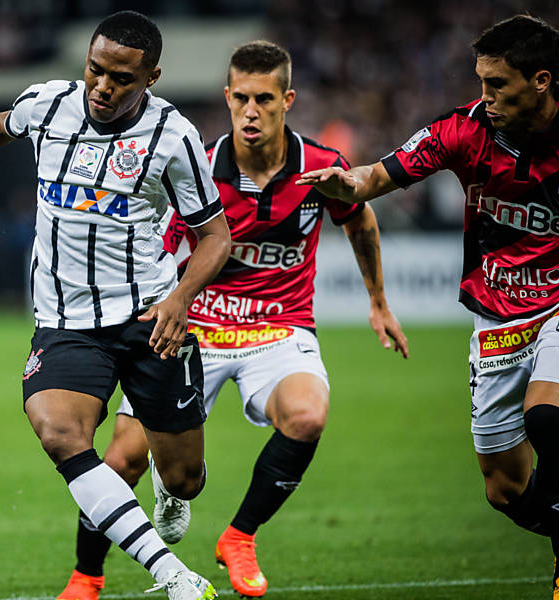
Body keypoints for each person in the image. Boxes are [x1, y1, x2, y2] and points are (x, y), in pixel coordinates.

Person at [0, 10, 230, 600]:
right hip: (66, 323)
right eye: (95, 70)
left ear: (151, 76)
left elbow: (216, 235)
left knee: (186, 476)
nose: (102, 86)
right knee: (59, 433)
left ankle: (168, 486)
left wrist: (181, 297)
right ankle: (171, 574)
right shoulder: (51, 103)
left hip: (150, 319)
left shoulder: (174, 138)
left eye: (121, 78)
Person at [54, 40, 409, 600]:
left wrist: (379, 302)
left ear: (287, 100)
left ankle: (239, 537)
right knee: (120, 458)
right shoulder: (194, 163)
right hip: (197, 326)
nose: (251, 111)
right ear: (227, 97)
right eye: (240, 97)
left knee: (308, 415)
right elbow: (161, 249)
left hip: (279, 326)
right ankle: (86, 576)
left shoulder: (321, 167)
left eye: (264, 99)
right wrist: (160, 307)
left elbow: (359, 220)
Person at [297, 15, 559, 599]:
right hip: (497, 315)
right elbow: (371, 178)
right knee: (504, 490)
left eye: (497, 85)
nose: (485, 97)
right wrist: (339, 186)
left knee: (546, 417)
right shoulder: (463, 131)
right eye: (480, 82)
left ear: (541, 80)